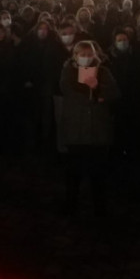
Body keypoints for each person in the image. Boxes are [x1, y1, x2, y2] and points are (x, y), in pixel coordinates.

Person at [57, 40, 120, 218]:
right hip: (76, 130)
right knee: (73, 172)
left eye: (89, 55)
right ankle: (71, 205)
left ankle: (100, 209)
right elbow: (67, 90)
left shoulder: (103, 72)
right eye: (82, 55)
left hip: (98, 132)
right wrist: (93, 95)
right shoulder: (68, 71)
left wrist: (97, 88)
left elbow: (114, 92)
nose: (86, 58)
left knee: (98, 174)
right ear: (75, 56)